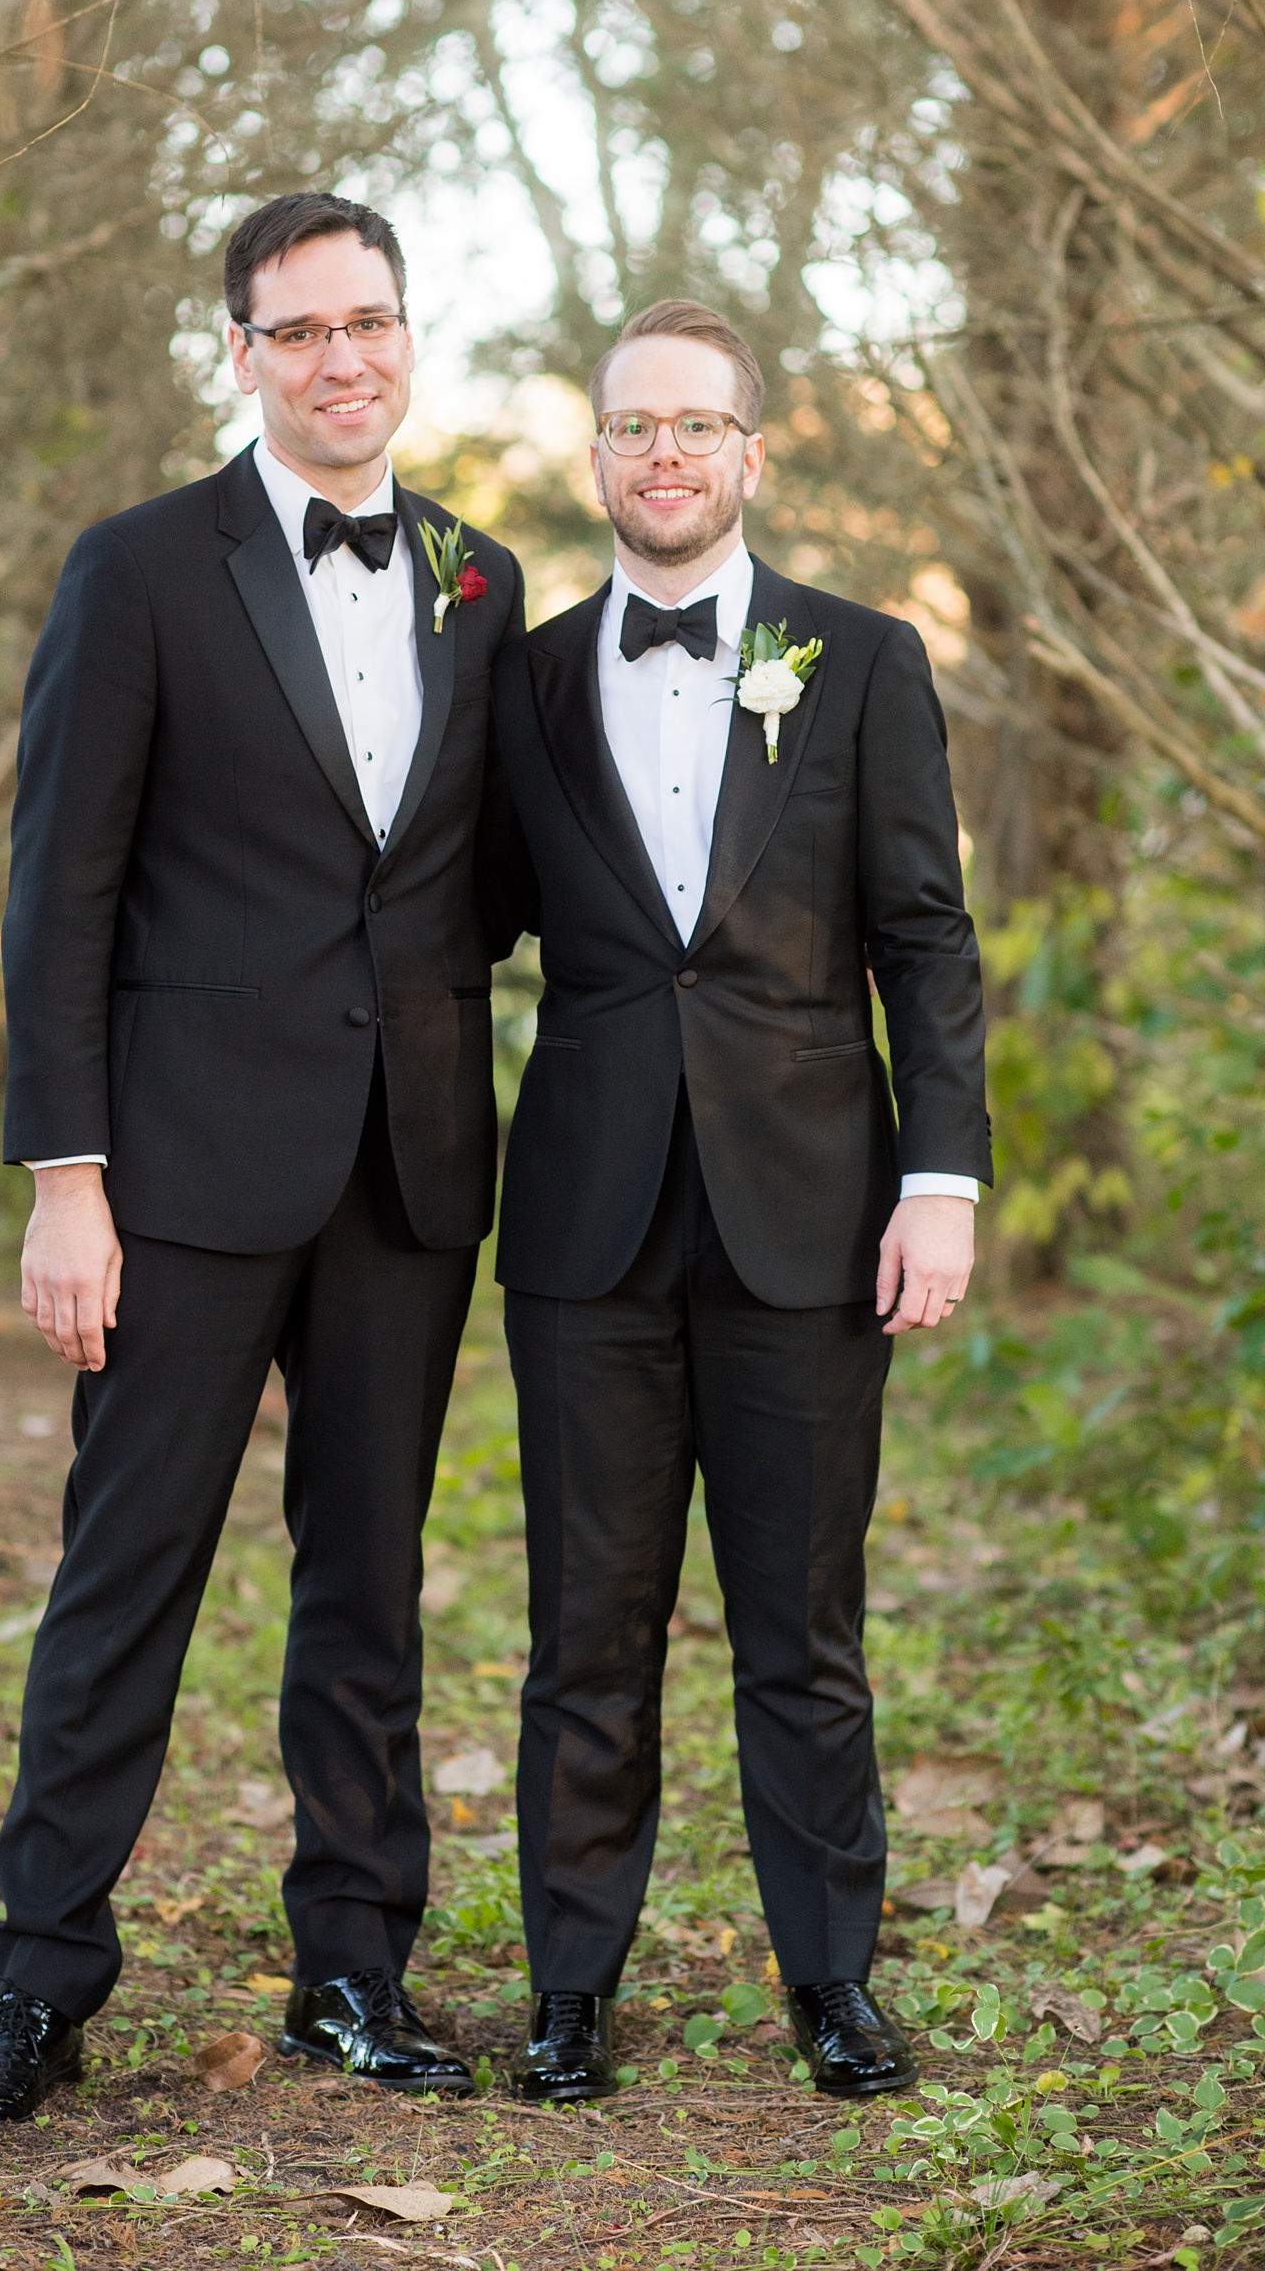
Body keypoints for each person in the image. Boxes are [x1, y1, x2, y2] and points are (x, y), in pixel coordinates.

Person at [0, 192, 525, 2125]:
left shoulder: (481, 576)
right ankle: (40, 1986)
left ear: (407, 338)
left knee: (367, 1585)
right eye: (300, 330)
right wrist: (65, 1179)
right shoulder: (140, 569)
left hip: (408, 1171)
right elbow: (60, 894)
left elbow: (492, 876)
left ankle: (353, 1967)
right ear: (246, 353)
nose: (342, 357)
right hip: (177, 1172)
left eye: (370, 321)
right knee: (127, 1577)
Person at [486, 301, 990, 2105]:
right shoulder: (524, 679)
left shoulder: (859, 659)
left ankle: (833, 1979)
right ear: (599, 454)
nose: (668, 456)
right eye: (635, 428)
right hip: (586, 1228)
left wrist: (940, 1178)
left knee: (803, 1624)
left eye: (701, 427)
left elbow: (925, 938)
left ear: (753, 454)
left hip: (810, 1211)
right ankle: (569, 1987)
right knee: (587, 1621)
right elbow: (450, 924)